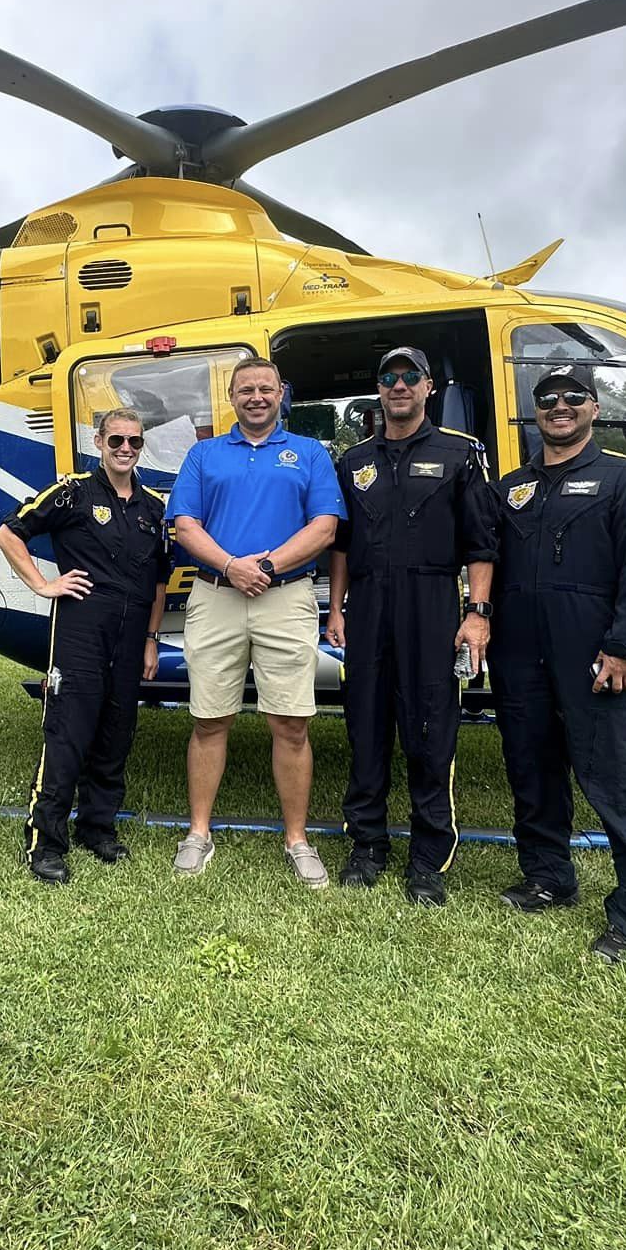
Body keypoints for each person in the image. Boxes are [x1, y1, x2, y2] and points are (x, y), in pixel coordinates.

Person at [488, 364, 626, 964]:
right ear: (535, 412)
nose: (560, 407)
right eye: (548, 399)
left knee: (613, 776)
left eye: (574, 398)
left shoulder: (624, 479)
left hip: (591, 646)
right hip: (519, 647)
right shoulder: (512, 486)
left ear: (594, 408)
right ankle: (549, 876)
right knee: (531, 766)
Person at [324, 347, 499, 905]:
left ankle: (428, 859)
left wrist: (477, 613)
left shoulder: (461, 454)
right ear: (378, 390)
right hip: (370, 605)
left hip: (432, 602)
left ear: (428, 388)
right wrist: (336, 608)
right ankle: (367, 845)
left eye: (410, 378)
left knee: (431, 731)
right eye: (388, 378)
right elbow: (343, 546)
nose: (399, 386)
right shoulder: (353, 462)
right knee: (366, 727)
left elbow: (481, 543)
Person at [165, 357, 344, 887]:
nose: (256, 397)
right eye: (246, 390)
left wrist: (264, 566)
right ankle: (198, 833)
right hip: (215, 593)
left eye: (266, 388)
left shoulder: (310, 453)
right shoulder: (204, 454)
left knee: (291, 722)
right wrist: (230, 565)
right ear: (233, 395)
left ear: (281, 393)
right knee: (208, 718)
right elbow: (185, 525)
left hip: (284, 597)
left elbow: (325, 527)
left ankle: (297, 840)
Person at [0, 408, 169, 884]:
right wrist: (42, 585)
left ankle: (98, 828)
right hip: (80, 627)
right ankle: (45, 843)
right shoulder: (72, 491)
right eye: (116, 441)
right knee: (69, 732)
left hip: (131, 633)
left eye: (134, 442)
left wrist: (152, 639)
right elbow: (9, 533)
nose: (125, 449)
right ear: (98, 442)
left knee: (117, 731)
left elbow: (158, 582)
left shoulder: (153, 507)